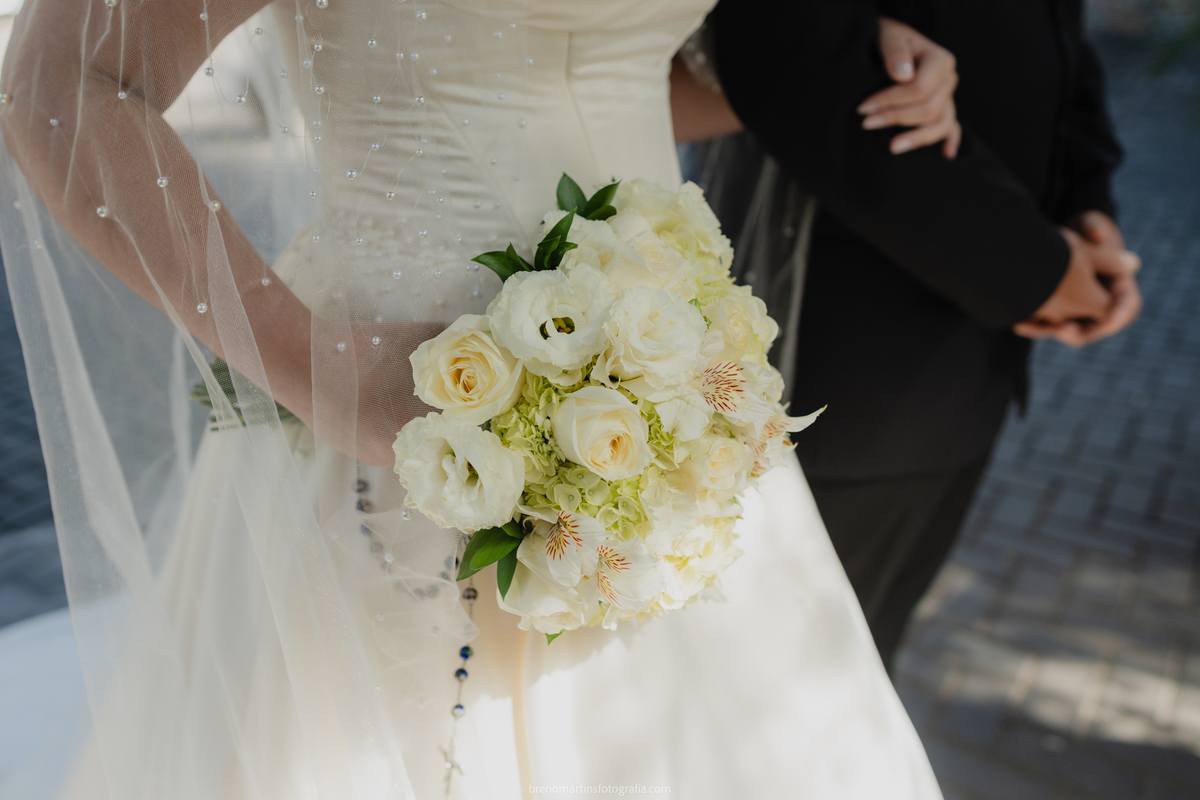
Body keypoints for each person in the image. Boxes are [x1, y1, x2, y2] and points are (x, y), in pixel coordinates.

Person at [0, 2, 958, 798]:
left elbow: (600, 67)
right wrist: (311, 364)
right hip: (404, 401)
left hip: (671, 393)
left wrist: (857, 59)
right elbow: (59, 88)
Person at [695, 0, 1142, 669]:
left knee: (867, 676)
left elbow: (1060, 37)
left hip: (973, 371)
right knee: (786, 678)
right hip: (854, 365)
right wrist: (1037, 270)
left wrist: (1089, 208)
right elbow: (798, 48)